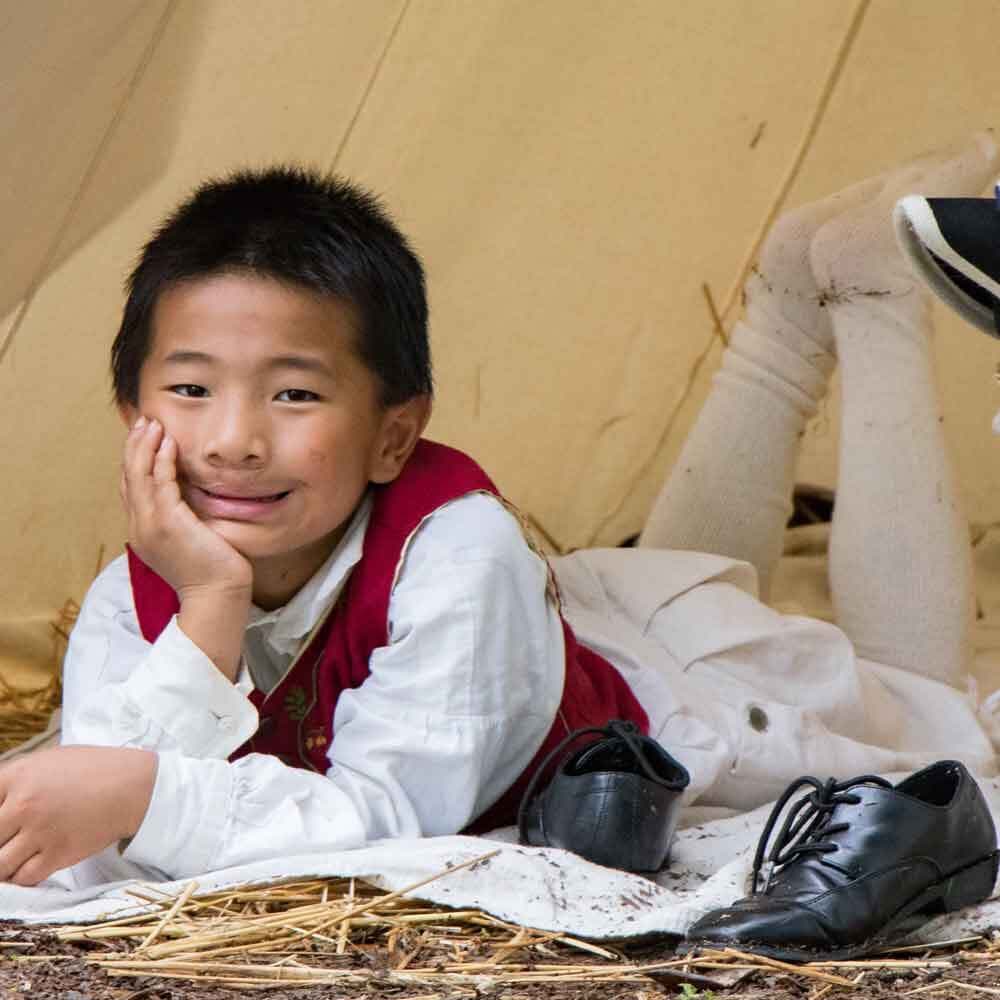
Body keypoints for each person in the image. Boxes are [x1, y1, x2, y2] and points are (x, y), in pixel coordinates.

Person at [0, 134, 996, 890]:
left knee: (932, 716)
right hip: (567, 623)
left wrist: (145, 793)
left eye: (293, 393)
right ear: (131, 412)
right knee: (694, 567)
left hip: (690, 700)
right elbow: (98, 812)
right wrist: (210, 603)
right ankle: (787, 290)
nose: (232, 440)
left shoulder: (458, 550)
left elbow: (385, 817)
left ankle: (871, 289)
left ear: (395, 435)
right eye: (189, 390)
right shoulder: (134, 591)